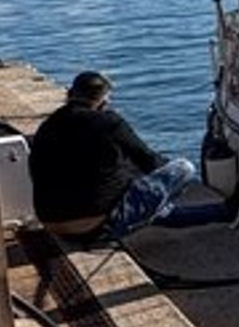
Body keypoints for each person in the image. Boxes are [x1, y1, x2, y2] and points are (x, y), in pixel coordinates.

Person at [29, 71, 197, 240]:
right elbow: (149, 161)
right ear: (104, 100)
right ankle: (156, 212)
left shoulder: (48, 125)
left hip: (53, 224)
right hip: (97, 227)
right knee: (183, 168)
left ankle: (161, 212)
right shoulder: (109, 122)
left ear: (70, 93)